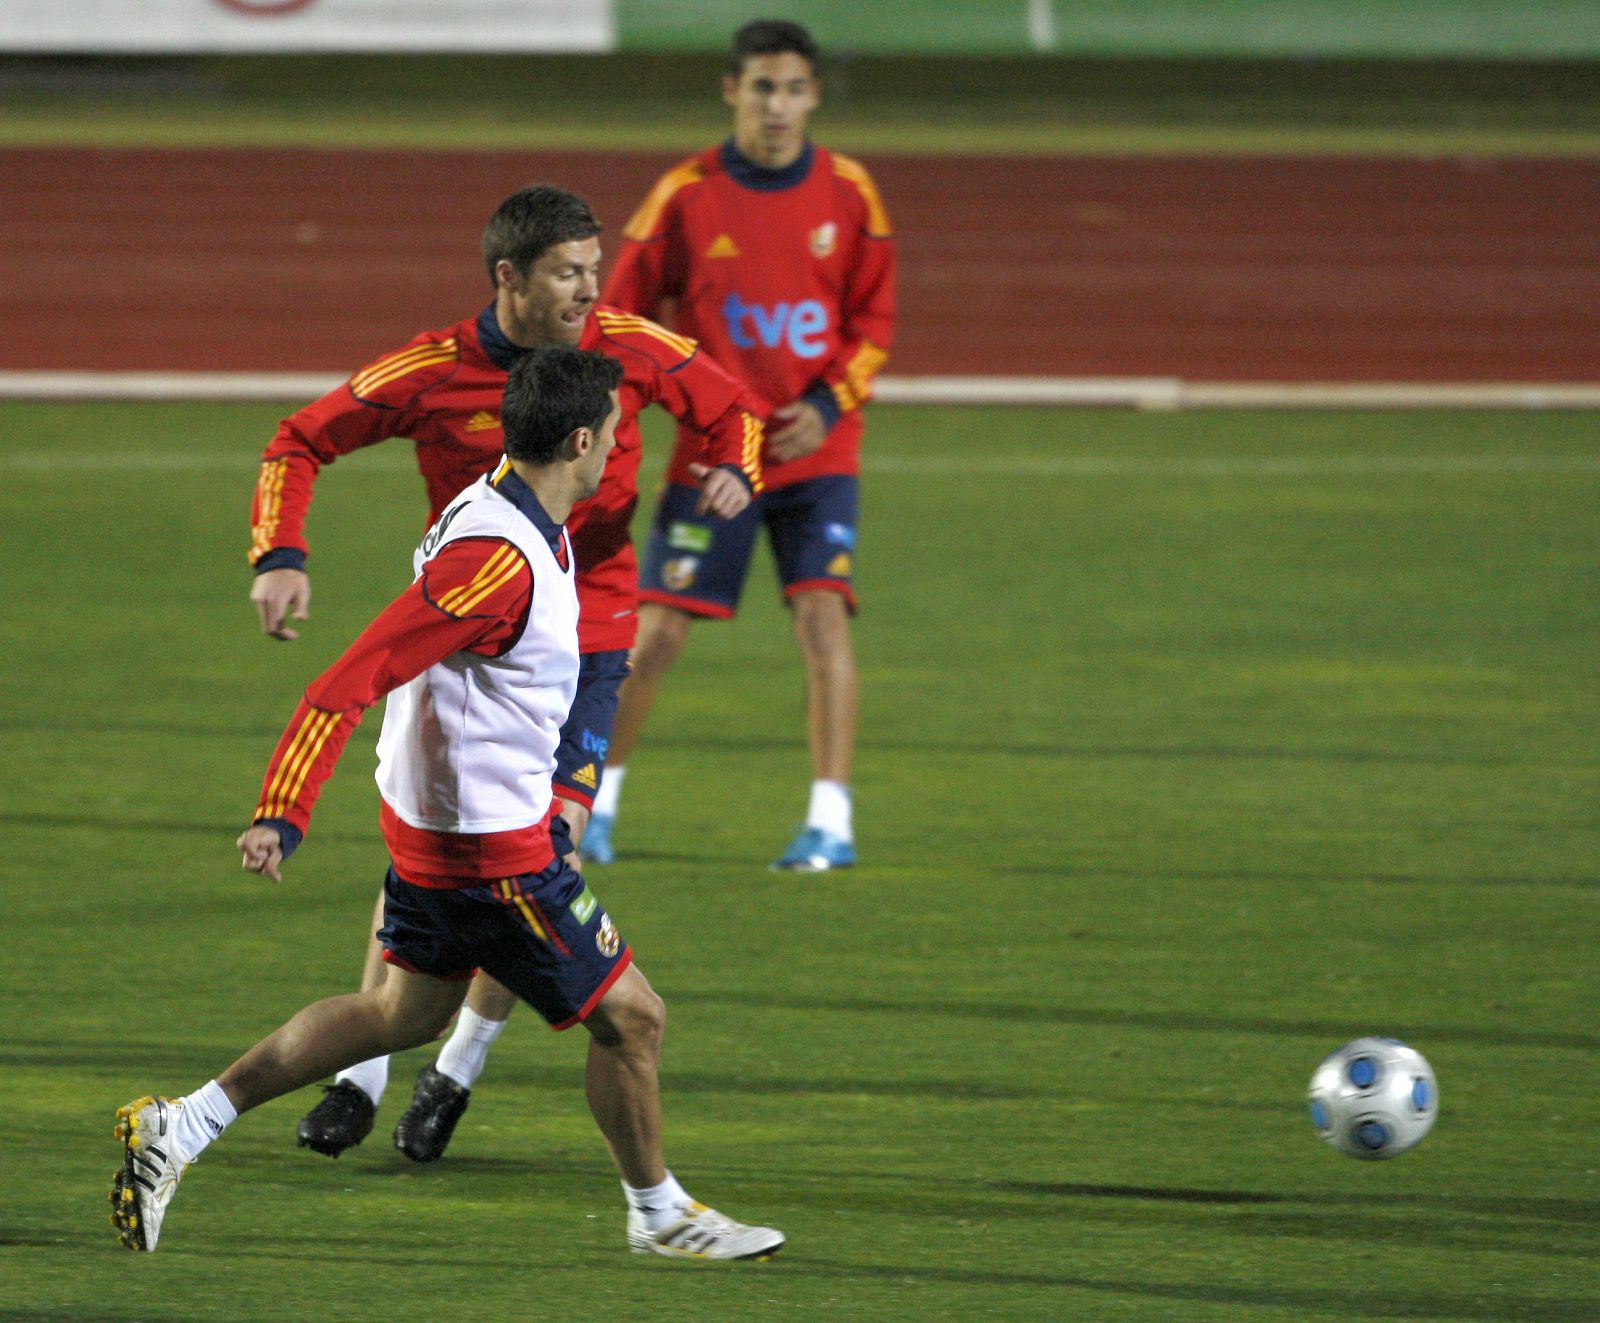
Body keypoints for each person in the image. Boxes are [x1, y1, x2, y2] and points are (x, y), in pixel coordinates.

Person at [111, 346, 783, 1262]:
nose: (621, 451)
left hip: (441, 830)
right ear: (581, 439)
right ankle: (658, 1211)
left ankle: (181, 1125)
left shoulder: (501, 502)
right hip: (490, 856)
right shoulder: (494, 562)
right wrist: (283, 808)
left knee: (398, 1013)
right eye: (617, 435)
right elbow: (348, 680)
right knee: (634, 1019)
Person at [246, 185, 764, 1163]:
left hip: (588, 644)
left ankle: (455, 1070)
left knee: (538, 851)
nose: (588, 290)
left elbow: (733, 411)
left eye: (592, 270)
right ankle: (365, 1071)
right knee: (433, 850)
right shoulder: (432, 371)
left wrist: (736, 467)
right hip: (458, 638)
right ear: (508, 277)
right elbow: (300, 438)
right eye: (567, 272)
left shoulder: (628, 345)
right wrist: (280, 553)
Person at [587, 17, 896, 873]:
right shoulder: (686, 194)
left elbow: (873, 318)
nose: (778, 106)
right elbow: (620, 319)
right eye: (763, 87)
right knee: (655, 635)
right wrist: (679, 403)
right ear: (733, 92)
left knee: (823, 618)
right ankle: (594, 807)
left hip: (817, 454)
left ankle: (830, 822)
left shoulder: (851, 194)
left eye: (794, 89)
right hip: (714, 457)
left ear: (814, 97)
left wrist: (830, 402)